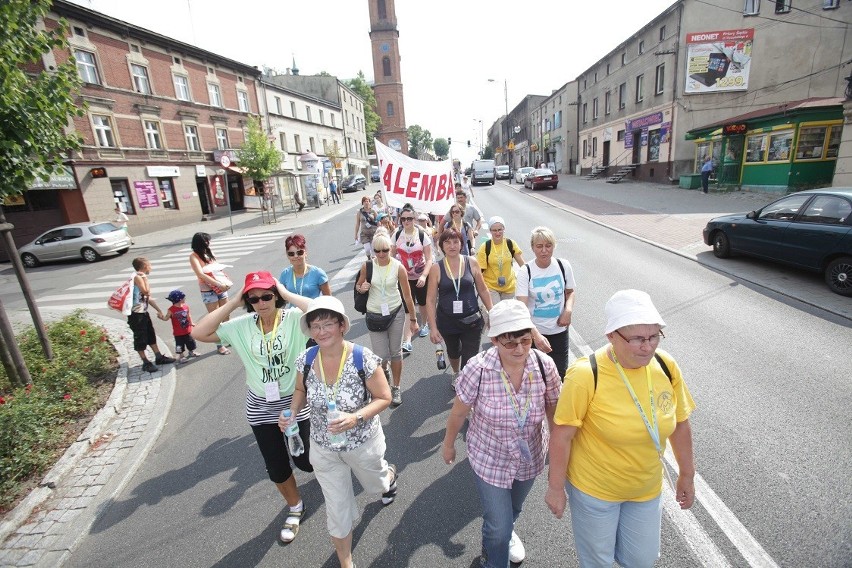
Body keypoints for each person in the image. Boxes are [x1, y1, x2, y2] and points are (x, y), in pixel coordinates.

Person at [546, 290, 696, 568]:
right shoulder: (585, 374)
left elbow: (680, 423)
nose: (647, 347)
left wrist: (687, 474)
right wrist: (555, 488)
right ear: (611, 336)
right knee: (598, 563)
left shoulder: (666, 365)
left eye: (653, 337)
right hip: (595, 491)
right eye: (637, 338)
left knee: (641, 560)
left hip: (645, 488)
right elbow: (562, 436)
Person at [191, 271, 313, 544]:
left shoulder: (294, 319)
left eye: (267, 295)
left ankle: (334, 470)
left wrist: (287, 293)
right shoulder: (242, 325)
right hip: (260, 407)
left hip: (295, 400)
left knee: (306, 461)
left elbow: (319, 309)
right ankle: (295, 508)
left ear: (276, 295)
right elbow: (198, 332)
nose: (261, 302)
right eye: (254, 298)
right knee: (277, 466)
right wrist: (232, 302)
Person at [443, 300, 561, 568]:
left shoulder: (544, 366)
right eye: (510, 343)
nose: (519, 349)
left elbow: (554, 412)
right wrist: (448, 444)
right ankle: (493, 556)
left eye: (525, 340)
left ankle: (507, 530)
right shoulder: (478, 368)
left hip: (530, 455)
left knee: (513, 510)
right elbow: (459, 413)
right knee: (497, 525)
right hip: (490, 457)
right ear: (495, 341)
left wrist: (558, 456)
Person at [282, 296, 397, 568]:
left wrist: (355, 417)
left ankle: (388, 475)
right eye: (315, 326)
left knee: (376, 486)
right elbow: (300, 390)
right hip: (323, 447)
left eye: (328, 324)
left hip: (362, 443)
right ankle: (346, 561)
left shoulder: (362, 358)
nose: (321, 331)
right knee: (336, 507)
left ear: (342, 325)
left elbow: (384, 397)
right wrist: (292, 413)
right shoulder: (306, 359)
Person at [355, 231, 419, 407]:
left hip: (395, 312)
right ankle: (384, 369)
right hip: (374, 314)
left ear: (391, 249)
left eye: (385, 250)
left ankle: (396, 387)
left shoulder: (398, 267)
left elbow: (407, 295)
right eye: (377, 251)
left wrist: (413, 319)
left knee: (395, 352)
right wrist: (362, 288)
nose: (381, 254)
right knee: (380, 355)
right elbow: (359, 287)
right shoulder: (367, 266)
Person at [426, 227, 493, 387]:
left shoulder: (472, 262)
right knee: (453, 352)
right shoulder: (437, 268)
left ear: (461, 244)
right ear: (441, 246)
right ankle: (456, 372)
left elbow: (483, 289)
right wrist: (433, 328)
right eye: (447, 242)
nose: (452, 246)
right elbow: (430, 299)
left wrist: (493, 312)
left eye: (455, 241)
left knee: (470, 358)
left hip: (472, 321)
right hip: (447, 321)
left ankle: (466, 385)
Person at [515, 226, 576, 380]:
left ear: (553, 246)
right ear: (533, 248)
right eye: (539, 246)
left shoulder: (563, 266)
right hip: (535, 334)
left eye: (548, 246)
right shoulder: (526, 271)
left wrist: (568, 310)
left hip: (559, 332)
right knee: (535, 377)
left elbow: (570, 292)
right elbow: (522, 308)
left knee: (559, 375)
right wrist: (535, 335)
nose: (544, 250)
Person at [391, 204, 434, 350]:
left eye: (409, 218)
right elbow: (390, 256)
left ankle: (424, 324)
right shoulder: (396, 235)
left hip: (421, 275)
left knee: (422, 303)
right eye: (403, 219)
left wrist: (424, 276)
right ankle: (407, 341)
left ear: (414, 219)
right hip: (404, 278)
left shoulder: (422, 235)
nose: (406, 221)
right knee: (408, 308)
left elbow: (429, 259)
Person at [127, 257, 175, 373]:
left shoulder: (140, 277)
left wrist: (158, 309)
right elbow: (146, 292)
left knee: (150, 334)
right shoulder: (138, 277)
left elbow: (147, 297)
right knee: (140, 338)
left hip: (143, 312)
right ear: (144, 266)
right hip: (136, 314)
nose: (151, 267)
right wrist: (145, 279)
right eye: (149, 265)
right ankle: (146, 362)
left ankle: (158, 357)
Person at [189, 232, 232, 355]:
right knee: (215, 318)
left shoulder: (209, 252)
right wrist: (218, 284)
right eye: (206, 241)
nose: (208, 243)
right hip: (208, 290)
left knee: (226, 314)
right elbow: (200, 274)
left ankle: (227, 337)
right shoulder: (194, 256)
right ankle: (219, 345)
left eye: (208, 241)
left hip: (220, 286)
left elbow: (216, 268)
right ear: (199, 243)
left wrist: (224, 279)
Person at [476, 216, 525, 307]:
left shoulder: (510, 244)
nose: (497, 233)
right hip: (491, 287)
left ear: (504, 229)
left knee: (507, 315)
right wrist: (480, 288)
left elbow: (522, 264)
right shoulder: (485, 246)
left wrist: (530, 277)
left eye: (500, 230)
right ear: (490, 231)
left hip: (509, 286)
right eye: (494, 230)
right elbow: (479, 271)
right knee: (497, 312)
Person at [280, 234, 331, 302]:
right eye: (291, 254)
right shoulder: (285, 274)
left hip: (313, 311)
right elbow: (281, 301)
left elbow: (329, 300)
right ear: (287, 255)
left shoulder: (318, 273)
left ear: (305, 252)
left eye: (299, 252)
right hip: (293, 312)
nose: (295, 256)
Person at [160, 289, 199, 364]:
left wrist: (191, 323)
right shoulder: (171, 310)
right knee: (179, 346)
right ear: (179, 299)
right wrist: (161, 317)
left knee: (191, 342)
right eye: (183, 298)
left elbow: (188, 315)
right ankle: (181, 356)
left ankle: (191, 352)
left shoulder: (186, 307)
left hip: (187, 330)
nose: (185, 299)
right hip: (178, 333)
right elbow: (166, 318)